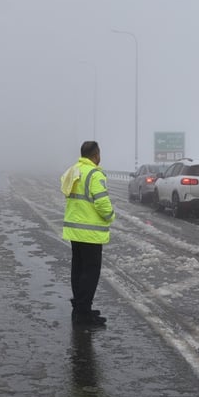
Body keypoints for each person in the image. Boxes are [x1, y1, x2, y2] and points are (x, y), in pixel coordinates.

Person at [61, 140, 115, 327]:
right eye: (99, 154)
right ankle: (84, 314)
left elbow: (64, 187)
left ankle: (79, 308)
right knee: (90, 273)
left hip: (75, 231)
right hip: (90, 233)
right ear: (95, 155)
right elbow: (101, 202)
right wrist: (110, 216)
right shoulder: (94, 173)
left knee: (78, 269)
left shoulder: (73, 170)